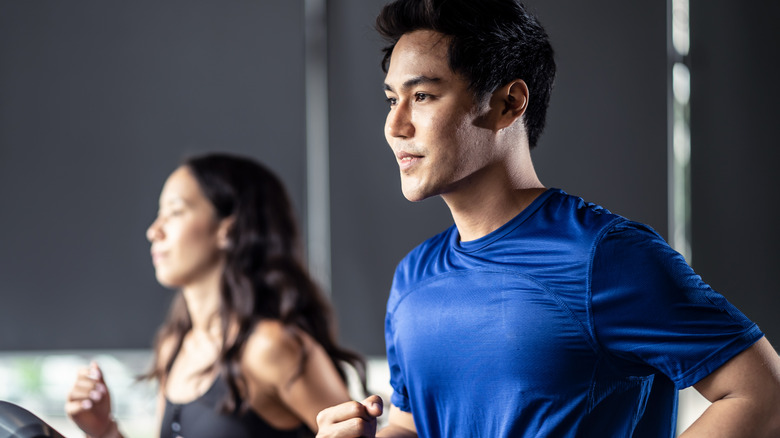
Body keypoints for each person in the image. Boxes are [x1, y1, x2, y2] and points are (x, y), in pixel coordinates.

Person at [314, 0, 780, 437]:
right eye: (392, 99)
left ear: (508, 104)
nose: (395, 126)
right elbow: (413, 424)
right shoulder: (412, 276)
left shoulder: (607, 255)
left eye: (423, 96)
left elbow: (762, 396)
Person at [65, 153, 365, 438]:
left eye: (175, 212)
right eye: (159, 214)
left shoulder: (270, 347)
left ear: (228, 230)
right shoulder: (174, 348)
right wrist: (104, 430)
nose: (154, 231)